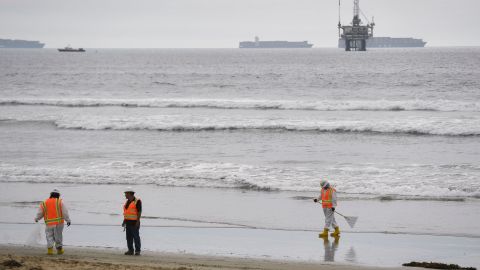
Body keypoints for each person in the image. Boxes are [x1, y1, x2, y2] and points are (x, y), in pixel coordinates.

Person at [34, 188, 71, 255]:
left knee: (49, 236)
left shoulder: (44, 203)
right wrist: (68, 220)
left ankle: (50, 251)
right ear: (58, 195)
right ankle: (59, 250)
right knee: (58, 236)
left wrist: (37, 218)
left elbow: (40, 213)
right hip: (59, 223)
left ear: (51, 195)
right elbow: (65, 212)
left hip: (49, 223)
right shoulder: (60, 202)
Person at [122, 187, 142, 255]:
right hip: (128, 222)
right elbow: (127, 212)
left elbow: (139, 212)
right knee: (129, 237)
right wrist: (124, 221)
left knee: (136, 237)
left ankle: (137, 251)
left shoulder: (137, 201)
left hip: (134, 222)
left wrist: (137, 221)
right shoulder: (127, 202)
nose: (125, 195)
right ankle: (130, 250)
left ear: (130, 194)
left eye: (126, 193)